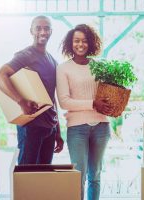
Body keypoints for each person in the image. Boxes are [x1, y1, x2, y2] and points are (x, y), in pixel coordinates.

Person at [0, 15, 63, 165]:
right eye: (38, 28)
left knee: (43, 176)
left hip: (49, 128)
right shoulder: (26, 55)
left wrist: (58, 130)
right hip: (31, 125)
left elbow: (52, 98)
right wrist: (21, 101)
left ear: (51, 31)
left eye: (46, 28)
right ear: (31, 31)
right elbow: (0, 76)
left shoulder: (52, 60)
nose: (43, 32)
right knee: (27, 175)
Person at [56, 24, 112, 200]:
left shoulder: (99, 66)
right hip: (77, 128)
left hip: (102, 126)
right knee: (78, 175)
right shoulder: (63, 68)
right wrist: (93, 104)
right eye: (77, 41)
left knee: (95, 175)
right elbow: (64, 102)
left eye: (85, 41)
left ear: (91, 43)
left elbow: (106, 94)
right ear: (70, 43)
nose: (81, 44)